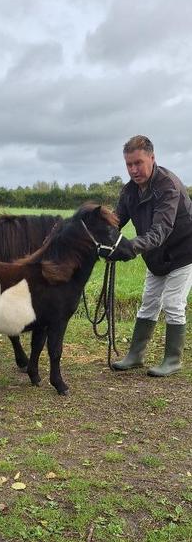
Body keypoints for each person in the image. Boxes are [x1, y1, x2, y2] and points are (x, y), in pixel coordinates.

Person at [103, 135, 192, 376]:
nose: (133, 169)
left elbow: (160, 230)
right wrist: (97, 237)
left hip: (184, 253)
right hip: (154, 257)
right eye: (129, 164)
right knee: (148, 303)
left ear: (152, 158)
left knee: (173, 304)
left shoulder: (168, 187)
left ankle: (173, 360)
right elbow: (116, 220)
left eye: (138, 163)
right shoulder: (130, 191)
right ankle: (135, 356)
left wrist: (130, 247)